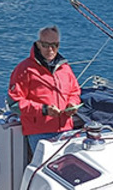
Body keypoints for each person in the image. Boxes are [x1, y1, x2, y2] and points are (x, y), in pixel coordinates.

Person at [8, 25, 82, 160]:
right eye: (46, 45)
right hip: (40, 133)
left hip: (66, 130)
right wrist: (44, 110)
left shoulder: (65, 68)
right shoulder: (24, 69)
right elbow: (14, 104)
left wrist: (72, 104)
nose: (50, 49)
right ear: (38, 44)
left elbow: (75, 91)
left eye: (54, 45)